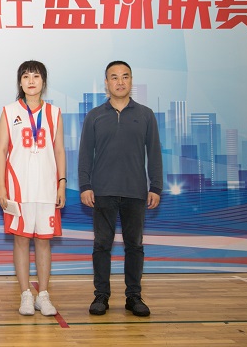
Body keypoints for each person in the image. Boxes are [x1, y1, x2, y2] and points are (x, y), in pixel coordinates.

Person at [78, 60, 162, 317]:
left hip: (135, 192)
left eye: (125, 76)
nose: (120, 81)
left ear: (131, 81)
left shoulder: (146, 114)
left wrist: (156, 186)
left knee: (134, 246)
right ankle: (101, 295)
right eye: (114, 77)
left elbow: (154, 153)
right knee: (102, 245)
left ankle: (133, 296)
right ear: (106, 83)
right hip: (102, 191)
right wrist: (85, 185)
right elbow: (85, 154)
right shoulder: (94, 116)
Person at [0, 60, 66, 316]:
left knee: (44, 242)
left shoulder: (54, 113)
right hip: (18, 188)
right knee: (21, 240)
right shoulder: (9, 111)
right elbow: (1, 150)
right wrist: (1, 186)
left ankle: (43, 294)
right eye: (26, 76)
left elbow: (59, 150)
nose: (31, 81)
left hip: (47, 188)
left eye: (36, 76)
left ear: (43, 81)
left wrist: (61, 183)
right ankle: (26, 293)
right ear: (20, 82)